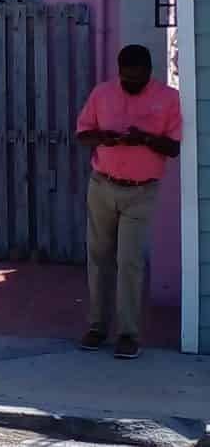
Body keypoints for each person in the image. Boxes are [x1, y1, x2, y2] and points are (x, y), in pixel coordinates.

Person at [74, 43, 182, 359]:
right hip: (102, 185)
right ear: (118, 72)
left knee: (130, 262)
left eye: (137, 79)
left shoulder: (168, 99)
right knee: (98, 259)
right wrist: (105, 137)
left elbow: (173, 148)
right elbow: (82, 135)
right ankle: (96, 326)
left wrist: (145, 139)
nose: (131, 83)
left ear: (149, 72)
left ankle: (128, 333)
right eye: (126, 78)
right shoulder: (102, 94)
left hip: (141, 192)